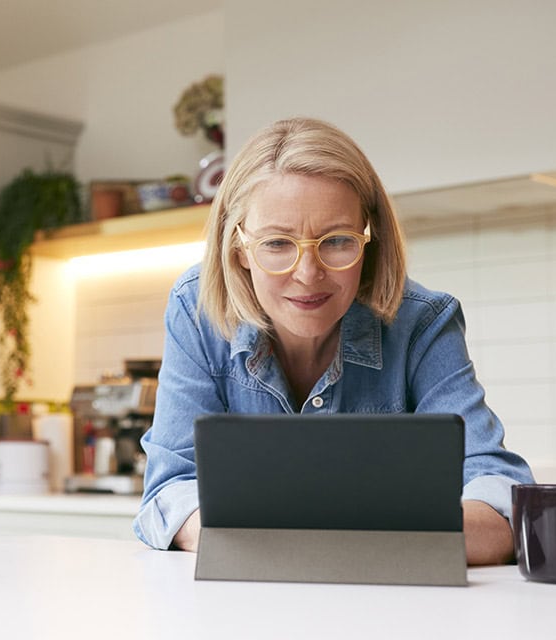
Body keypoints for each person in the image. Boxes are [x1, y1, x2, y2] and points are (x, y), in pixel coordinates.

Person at [133, 117, 534, 565]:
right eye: (278, 243)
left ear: (371, 238)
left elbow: (500, 496)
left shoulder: (422, 322)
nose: (307, 274)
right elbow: (168, 493)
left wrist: (285, 534)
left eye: (338, 240)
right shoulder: (199, 310)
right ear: (239, 248)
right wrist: (384, 532)